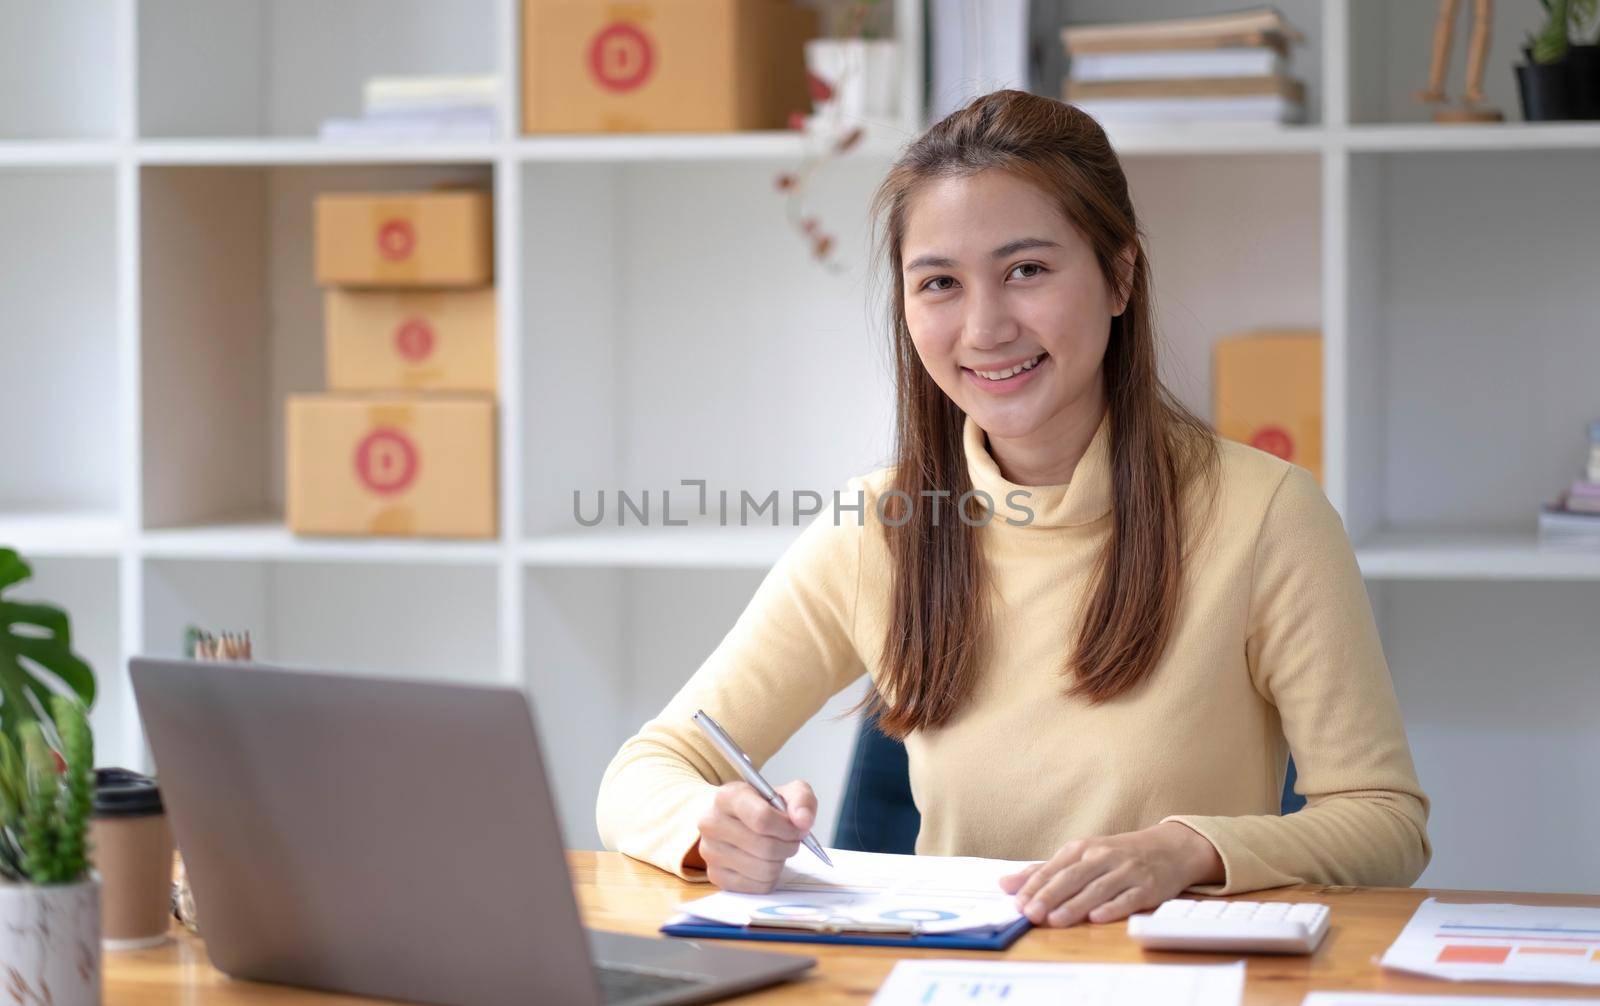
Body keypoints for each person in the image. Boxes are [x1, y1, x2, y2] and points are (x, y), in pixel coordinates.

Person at [596, 90, 1430, 929]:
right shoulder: (881, 527)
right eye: (940, 284)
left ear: (1121, 274)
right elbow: (648, 768)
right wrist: (710, 830)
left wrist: (1188, 851)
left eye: (1026, 270)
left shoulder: (1265, 514)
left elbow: (1384, 820)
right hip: (953, 980)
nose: (985, 327)